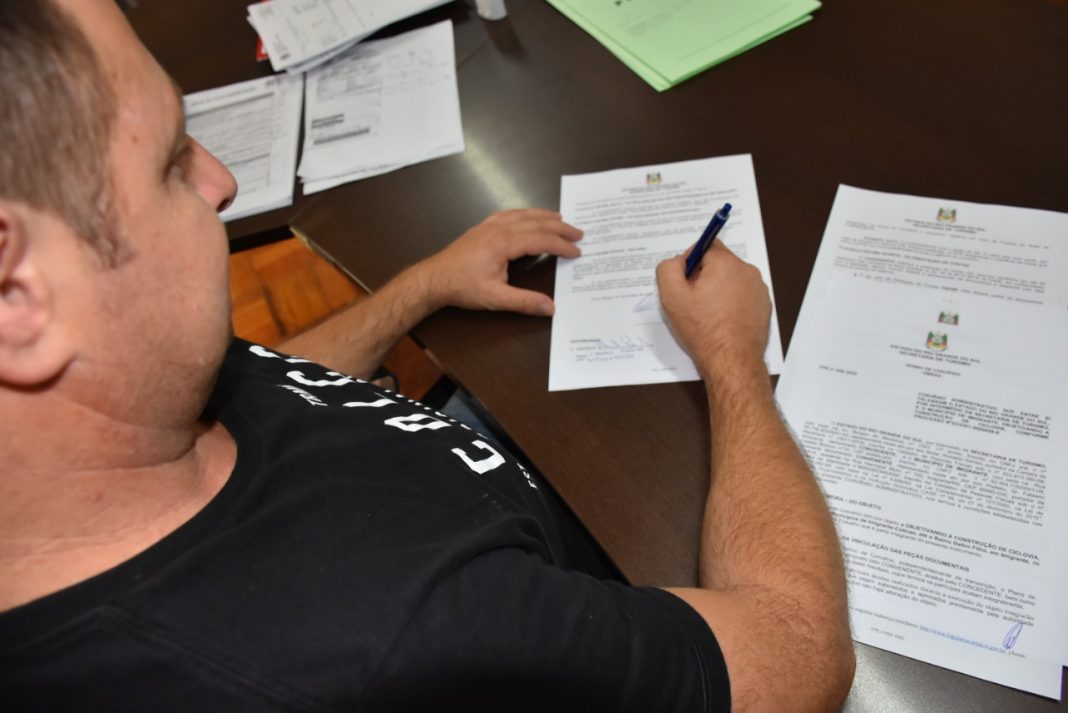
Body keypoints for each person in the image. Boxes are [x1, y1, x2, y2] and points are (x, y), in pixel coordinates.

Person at [0, 0, 854, 710]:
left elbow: (276, 383)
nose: (219, 180)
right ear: (18, 295)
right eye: (169, 162)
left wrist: (423, 285)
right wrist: (732, 353)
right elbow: (800, 656)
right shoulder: (408, 632)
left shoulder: (109, 423)